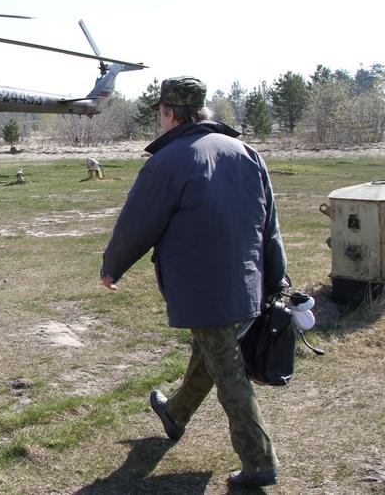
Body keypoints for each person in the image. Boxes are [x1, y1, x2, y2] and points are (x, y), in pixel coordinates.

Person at [98, 76, 287, 489]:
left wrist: (113, 265)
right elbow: (268, 224)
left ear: (168, 113)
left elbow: (138, 222)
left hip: (206, 289)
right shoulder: (246, 153)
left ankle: (259, 461)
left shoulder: (169, 160)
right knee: (211, 349)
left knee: (228, 370)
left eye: (160, 114)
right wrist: (277, 275)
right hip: (247, 283)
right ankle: (175, 413)